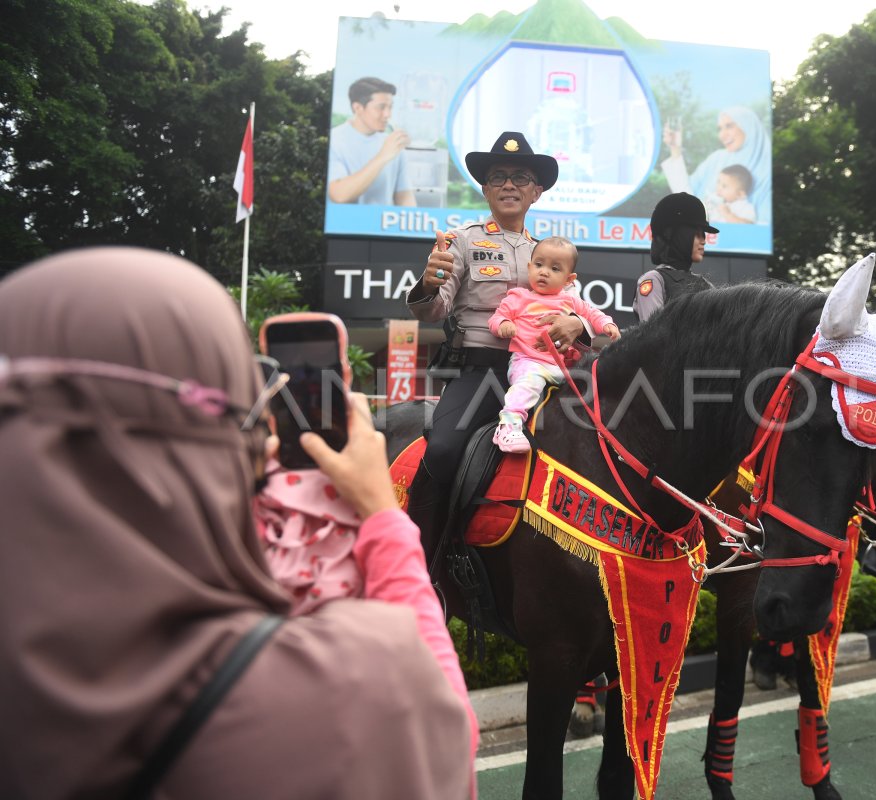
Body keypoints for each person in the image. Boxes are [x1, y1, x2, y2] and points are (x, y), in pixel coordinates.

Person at [0, 248, 475, 799]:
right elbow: (446, 742)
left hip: (524, 373)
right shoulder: (357, 682)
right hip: (478, 378)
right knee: (445, 447)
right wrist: (380, 515)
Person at [405, 131, 586, 549]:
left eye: (520, 177)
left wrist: (578, 325)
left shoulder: (552, 251)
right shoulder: (462, 241)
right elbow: (434, 309)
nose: (509, 185)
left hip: (544, 373)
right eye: (499, 177)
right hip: (481, 373)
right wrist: (430, 282)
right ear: (485, 189)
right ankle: (425, 563)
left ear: (536, 192)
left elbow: (580, 309)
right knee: (444, 451)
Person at [489, 236, 620, 453]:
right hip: (528, 361)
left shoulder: (571, 301)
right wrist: (503, 325)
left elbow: (593, 313)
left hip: (563, 367)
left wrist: (607, 324)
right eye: (539, 265)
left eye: (555, 269)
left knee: (591, 385)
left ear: (569, 279)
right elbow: (496, 318)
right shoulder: (518, 297)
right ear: (529, 267)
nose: (544, 272)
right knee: (527, 386)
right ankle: (508, 426)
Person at [661, 106, 771, 225]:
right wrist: (675, 148)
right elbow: (686, 197)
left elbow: (763, 228)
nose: (722, 135)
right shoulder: (717, 158)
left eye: (729, 126)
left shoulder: (767, 170)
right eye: (720, 128)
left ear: (748, 127)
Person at [327, 76, 416, 206]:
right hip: (343, 225)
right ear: (357, 108)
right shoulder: (335, 140)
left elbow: (405, 198)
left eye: (390, 107)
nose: (388, 114)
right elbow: (339, 195)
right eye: (381, 107)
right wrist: (383, 156)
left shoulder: (392, 143)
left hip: (385, 225)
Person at [633, 192, 719, 322]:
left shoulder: (707, 286)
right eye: (697, 234)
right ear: (672, 234)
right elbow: (651, 335)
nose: (703, 241)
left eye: (704, 235)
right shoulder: (654, 280)